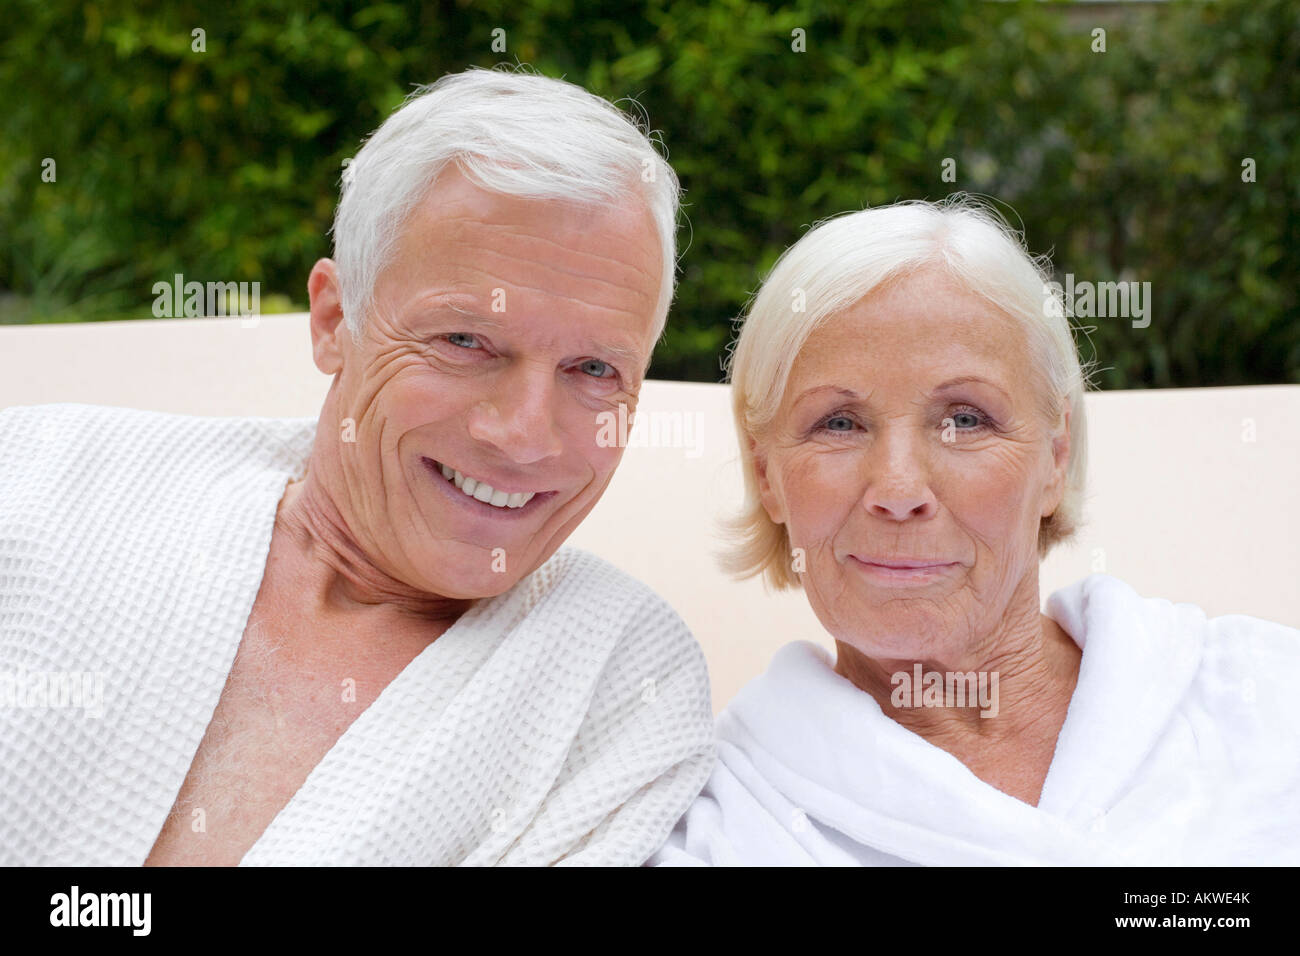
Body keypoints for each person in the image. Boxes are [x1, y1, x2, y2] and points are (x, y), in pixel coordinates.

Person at [0, 67, 715, 867]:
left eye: (593, 370)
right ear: (336, 320)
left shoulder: (621, 685)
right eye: (465, 341)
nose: (523, 436)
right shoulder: (39, 482)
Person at [651, 197, 1300, 865]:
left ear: (1056, 460)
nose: (899, 490)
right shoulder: (708, 830)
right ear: (766, 476)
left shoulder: (1268, 698)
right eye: (838, 423)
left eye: (965, 419)